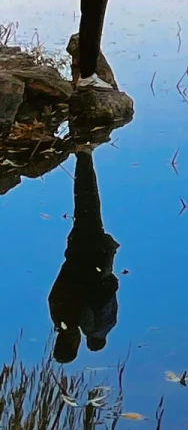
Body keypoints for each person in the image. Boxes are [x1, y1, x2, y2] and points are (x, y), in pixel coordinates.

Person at [48, 147, 120, 363]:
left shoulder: (72, 318)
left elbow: (85, 290)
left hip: (86, 254)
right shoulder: (61, 316)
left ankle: (83, 154)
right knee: (87, 204)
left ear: (72, 344)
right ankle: (84, 157)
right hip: (80, 254)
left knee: (87, 202)